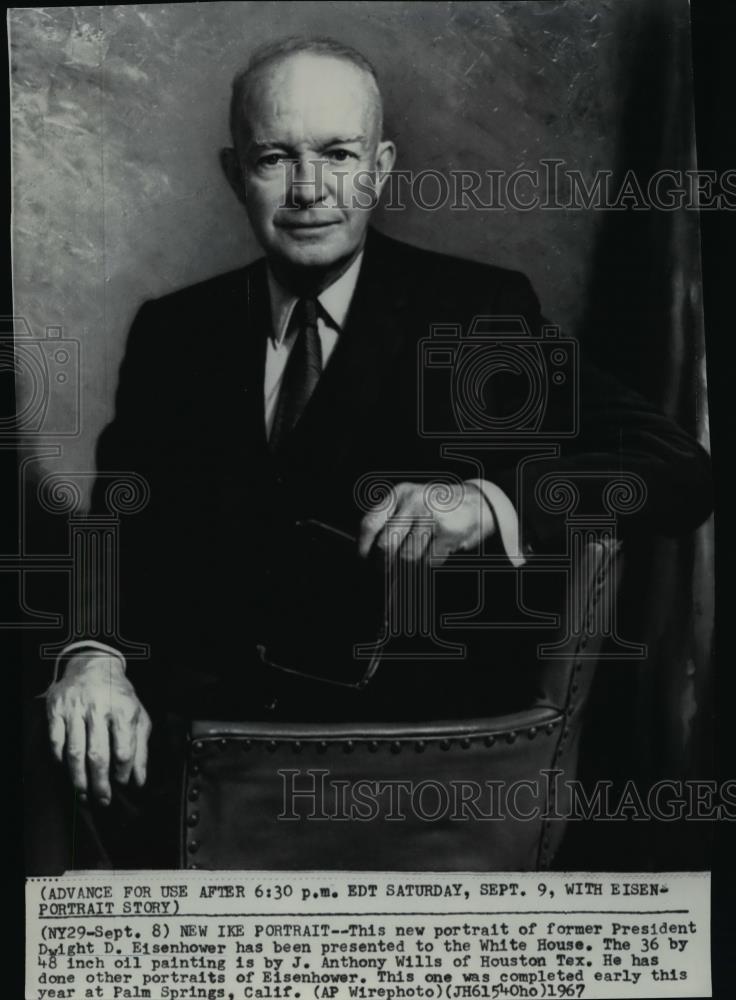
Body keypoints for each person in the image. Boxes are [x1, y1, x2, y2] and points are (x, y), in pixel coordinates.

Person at [36, 37, 712, 869]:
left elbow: (677, 468)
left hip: (402, 771)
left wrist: (492, 501)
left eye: (339, 155)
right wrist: (92, 656)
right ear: (232, 170)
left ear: (382, 165)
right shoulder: (176, 332)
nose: (311, 188)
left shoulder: (478, 316)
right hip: (189, 758)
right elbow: (115, 525)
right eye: (276, 156)